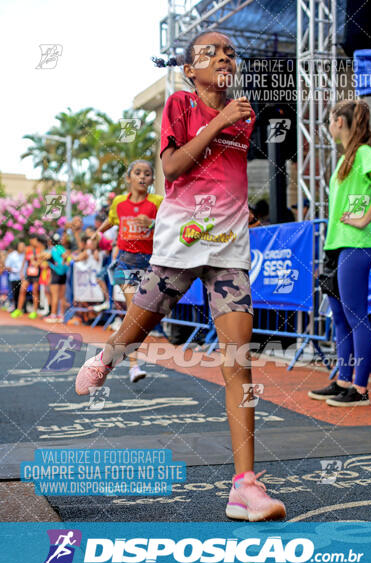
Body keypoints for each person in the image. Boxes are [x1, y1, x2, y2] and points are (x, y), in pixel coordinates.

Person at [76, 30, 286, 522]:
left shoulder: (244, 110)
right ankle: (108, 356)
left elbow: (228, 176)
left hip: (229, 249)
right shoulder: (180, 103)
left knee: (241, 359)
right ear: (191, 69)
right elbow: (172, 168)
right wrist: (218, 123)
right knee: (134, 332)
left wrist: (247, 212)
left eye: (231, 52)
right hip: (179, 244)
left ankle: (244, 486)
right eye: (211, 52)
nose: (224, 58)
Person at [308, 99, 371, 407]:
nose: (329, 126)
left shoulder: (365, 153)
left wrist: (361, 220)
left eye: (330, 120)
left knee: (356, 317)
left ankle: (359, 390)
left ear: (339, 122)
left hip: (356, 245)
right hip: (337, 247)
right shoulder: (349, 157)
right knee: (340, 318)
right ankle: (343, 380)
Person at [92, 160, 162, 382]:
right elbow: (112, 221)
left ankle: (110, 353)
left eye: (148, 174)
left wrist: (151, 222)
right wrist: (96, 233)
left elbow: (169, 226)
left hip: (151, 263)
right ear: (129, 177)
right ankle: (134, 365)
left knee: (139, 318)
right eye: (138, 172)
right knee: (134, 313)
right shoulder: (120, 203)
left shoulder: (158, 202)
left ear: (152, 179)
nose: (143, 177)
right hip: (125, 262)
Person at [11, 234, 46, 319]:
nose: (31, 242)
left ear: (36, 240)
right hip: (28, 273)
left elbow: (43, 260)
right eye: (30, 240)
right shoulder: (28, 249)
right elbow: (24, 261)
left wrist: (36, 262)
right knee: (22, 290)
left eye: (32, 240)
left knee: (35, 292)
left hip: (36, 273)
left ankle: (34, 311)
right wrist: (21, 271)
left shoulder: (41, 249)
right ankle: (19, 309)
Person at [40, 232, 68, 323]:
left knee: (55, 295)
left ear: (51, 242)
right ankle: (61, 315)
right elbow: (66, 256)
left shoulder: (52, 250)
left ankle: (53, 315)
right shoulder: (61, 248)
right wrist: (64, 263)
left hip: (55, 273)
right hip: (63, 273)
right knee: (62, 296)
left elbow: (43, 257)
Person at [4, 241, 26, 311]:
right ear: (17, 247)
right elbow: (7, 266)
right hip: (14, 278)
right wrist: (14, 270)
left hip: (24, 278)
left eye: (23, 246)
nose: (22, 248)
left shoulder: (26, 255)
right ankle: (16, 307)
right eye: (21, 246)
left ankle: (23, 308)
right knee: (15, 293)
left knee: (23, 293)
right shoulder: (12, 255)